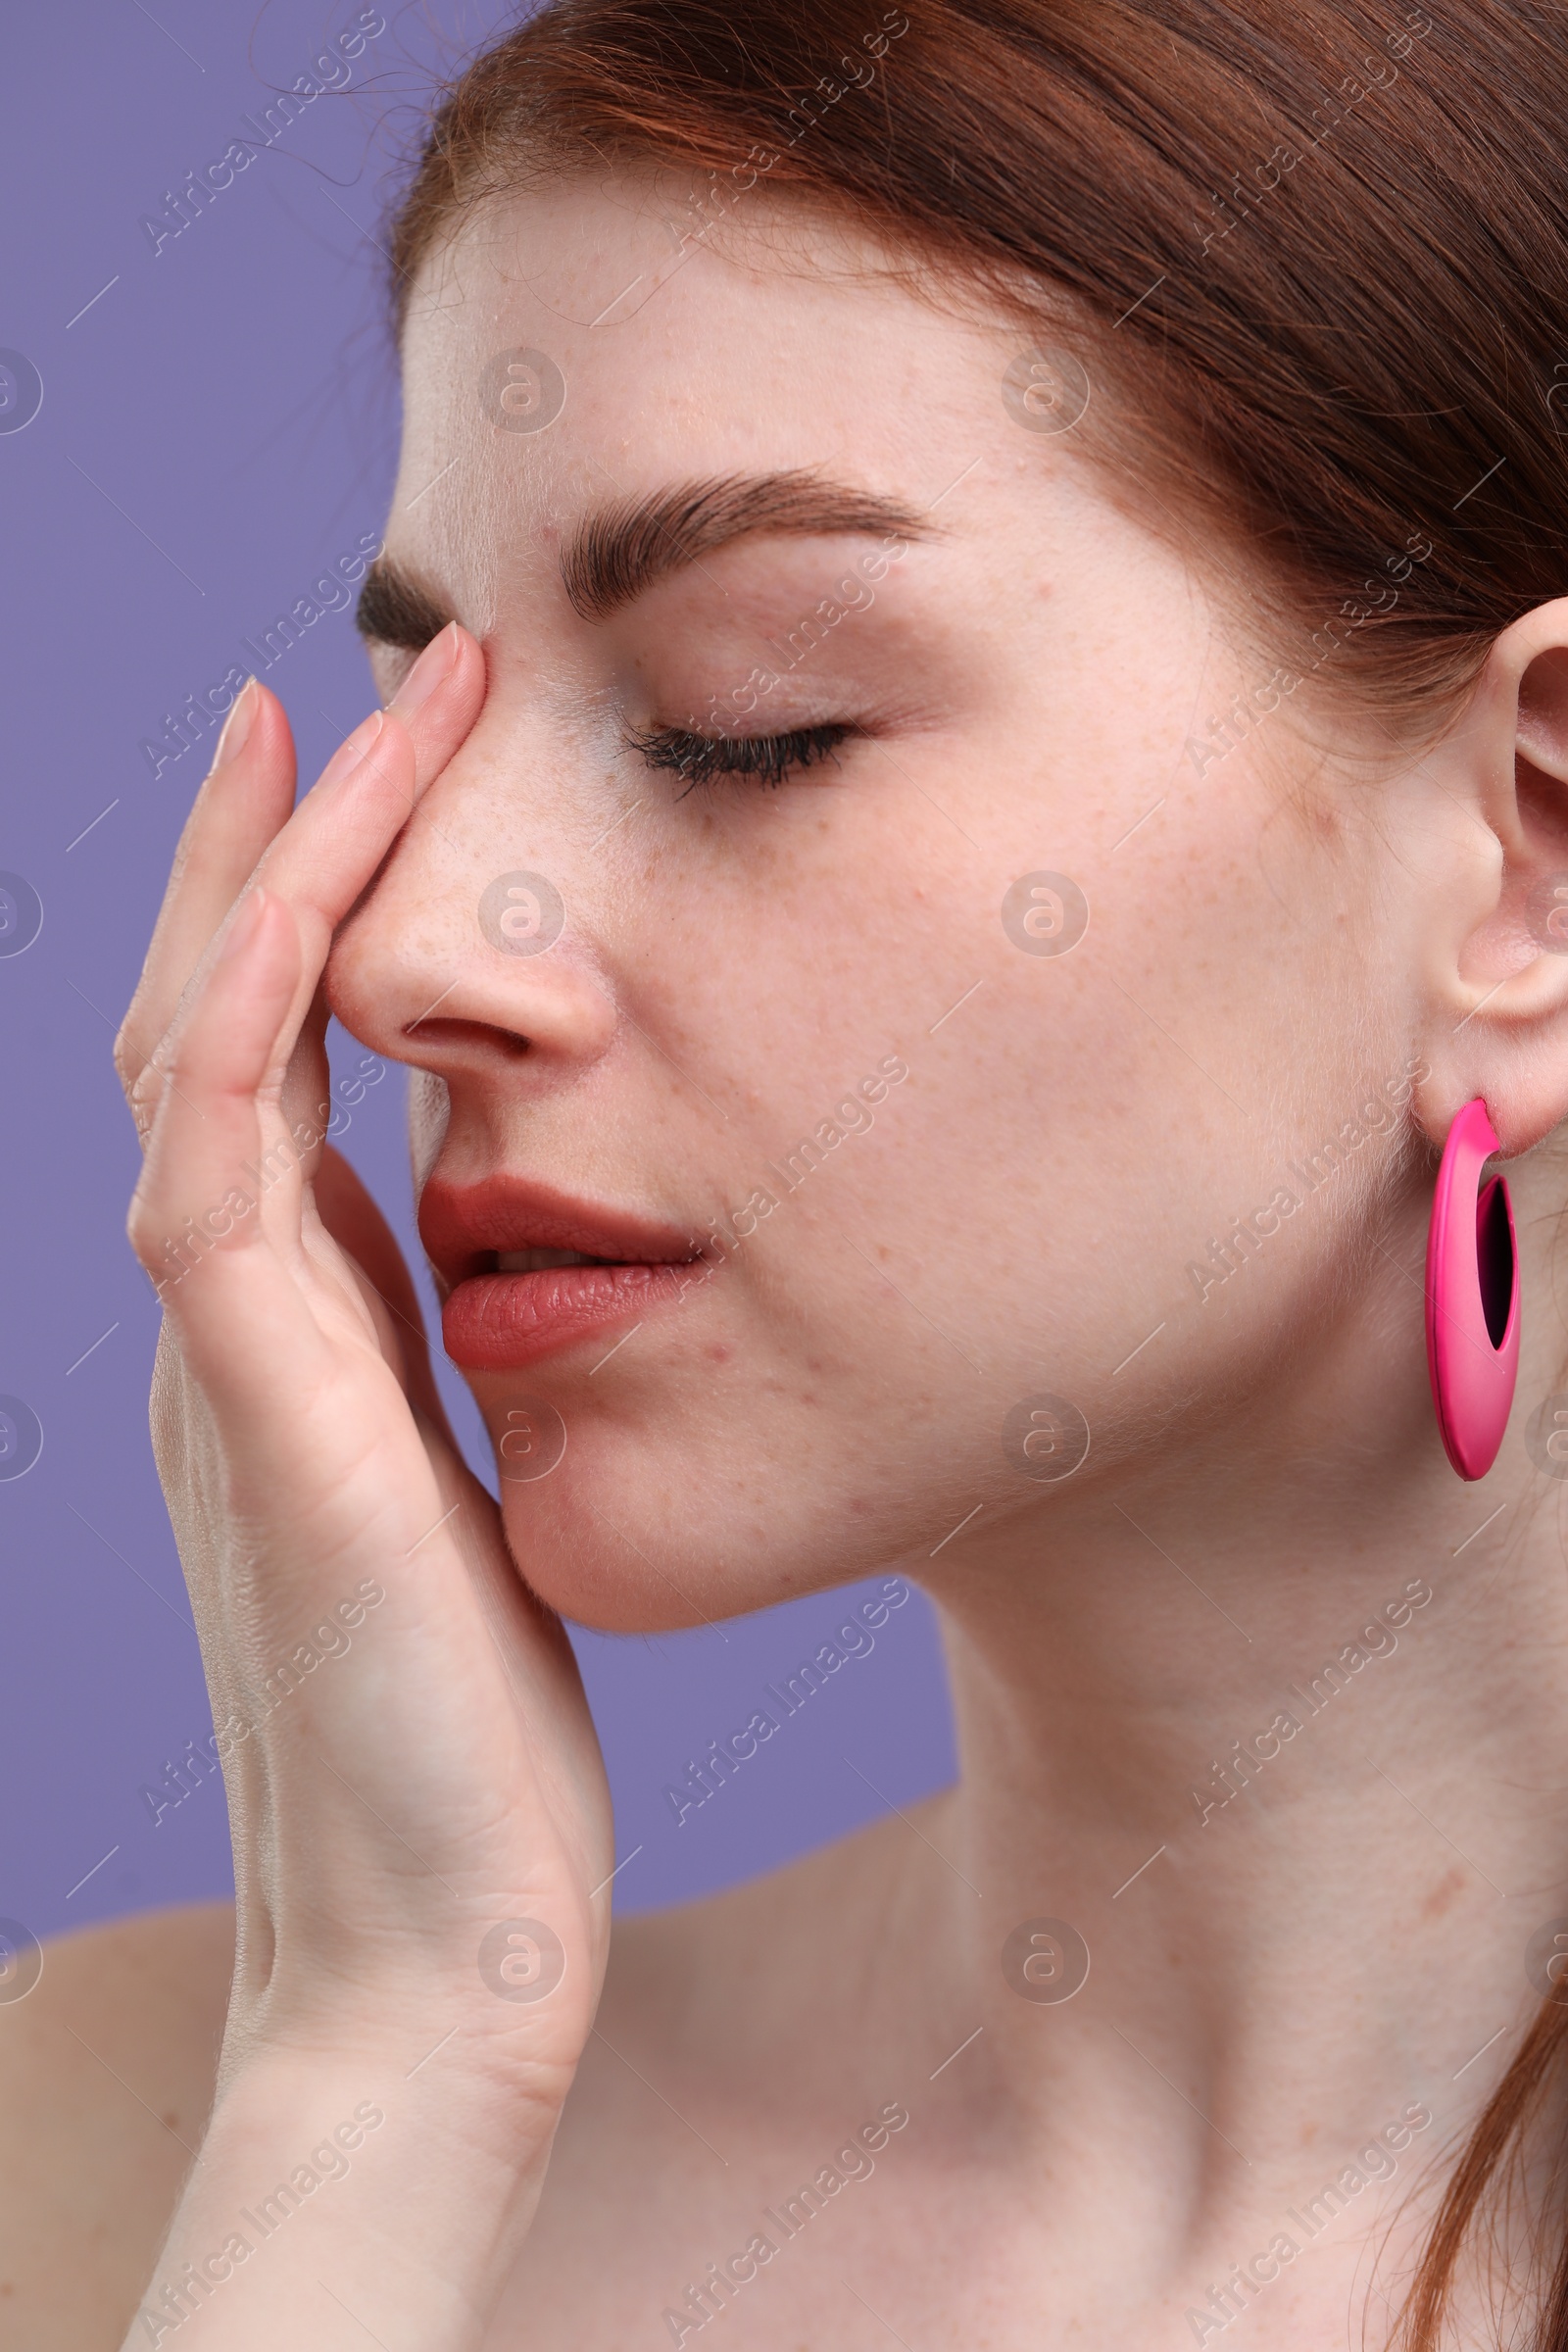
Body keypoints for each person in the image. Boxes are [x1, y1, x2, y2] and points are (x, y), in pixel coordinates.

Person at [8, 0, 1568, 2342]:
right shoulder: (112, 2139)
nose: (415, 951)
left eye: (748, 723)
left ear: (1527, 857)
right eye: (428, 727)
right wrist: (382, 2070)